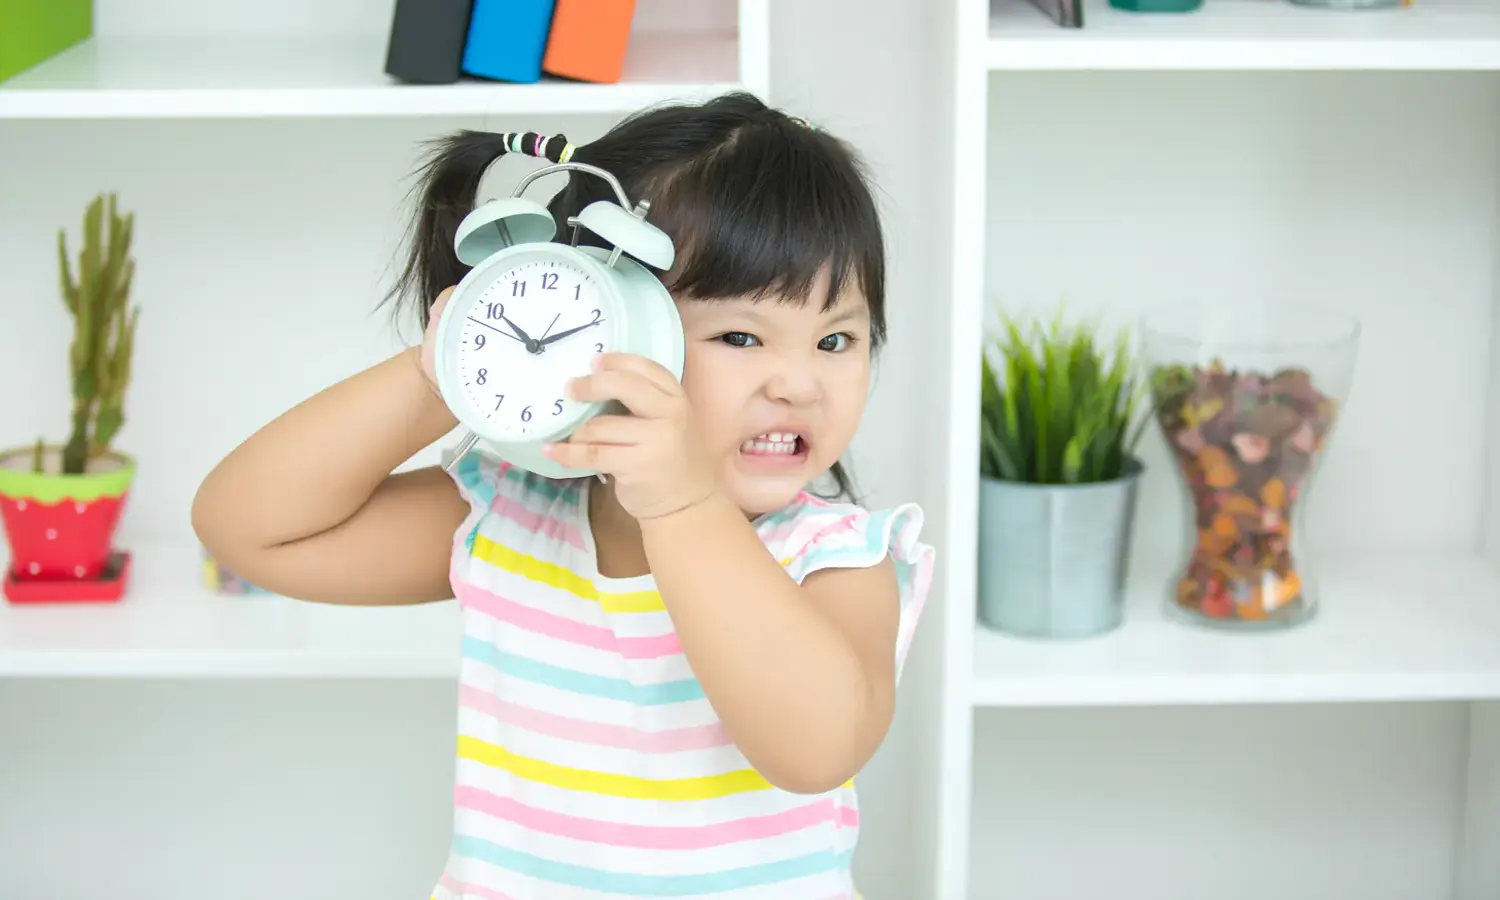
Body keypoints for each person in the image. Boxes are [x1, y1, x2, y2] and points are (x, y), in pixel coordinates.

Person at [192, 91, 935, 900]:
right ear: (609, 327)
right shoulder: (509, 517)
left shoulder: (835, 560)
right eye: (740, 336)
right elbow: (251, 529)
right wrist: (451, 372)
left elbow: (816, 751)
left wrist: (685, 509)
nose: (799, 383)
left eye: (837, 339)